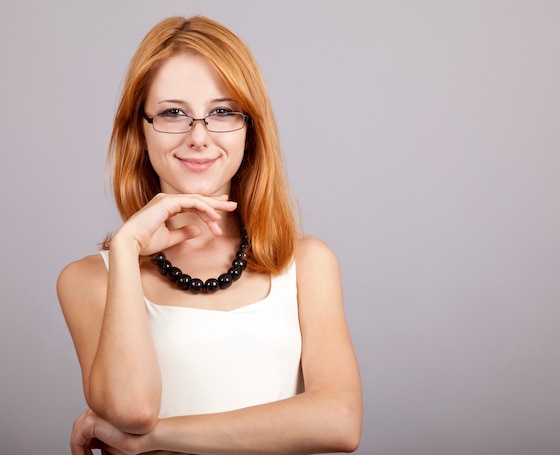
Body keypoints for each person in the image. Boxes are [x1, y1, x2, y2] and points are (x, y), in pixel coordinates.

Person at [57, 15, 362, 455]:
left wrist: (158, 438)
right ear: (139, 131)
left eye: (221, 112)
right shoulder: (88, 279)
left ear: (249, 131)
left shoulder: (308, 263)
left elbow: (339, 422)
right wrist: (126, 249)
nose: (198, 137)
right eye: (172, 113)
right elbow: (133, 411)